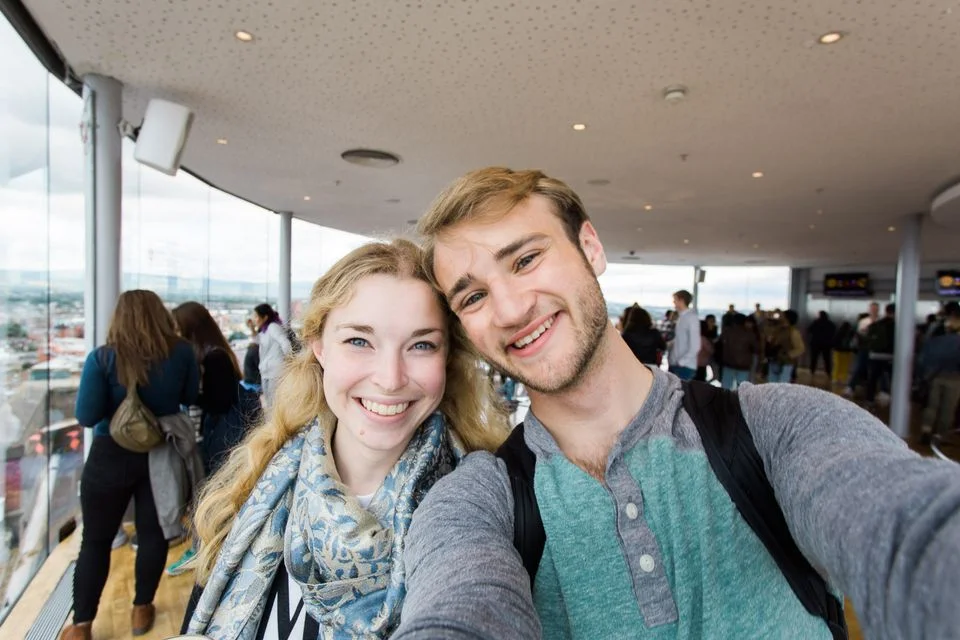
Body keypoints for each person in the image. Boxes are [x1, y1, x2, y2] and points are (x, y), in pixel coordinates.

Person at [392, 167, 960, 640]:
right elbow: (457, 603)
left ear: (590, 248)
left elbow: (909, 531)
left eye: (525, 260)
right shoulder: (480, 499)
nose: (512, 309)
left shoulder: (770, 428)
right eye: (474, 296)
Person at [183, 239, 507, 639]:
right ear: (319, 346)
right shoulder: (250, 493)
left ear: (447, 359)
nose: (390, 379)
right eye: (359, 341)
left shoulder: (485, 510)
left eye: (421, 345)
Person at [61, 290, 199, 640]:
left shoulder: (103, 358)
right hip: (161, 454)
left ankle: (81, 627)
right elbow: (188, 397)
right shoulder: (181, 351)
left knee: (95, 540)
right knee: (153, 534)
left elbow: (87, 415)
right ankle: (141, 609)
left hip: (110, 454)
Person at [250, 303, 293, 406]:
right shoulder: (264, 330)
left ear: (265, 317)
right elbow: (257, 341)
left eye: (256, 316)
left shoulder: (273, 327)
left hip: (275, 371)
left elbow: (285, 343)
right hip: (266, 371)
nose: (254, 319)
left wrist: (289, 361)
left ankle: (274, 422)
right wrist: (252, 329)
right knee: (269, 402)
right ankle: (271, 421)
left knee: (274, 403)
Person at [667, 290, 699, 380]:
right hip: (677, 364)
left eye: (675, 300)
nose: (673, 302)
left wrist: (681, 362)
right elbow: (681, 339)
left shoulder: (691, 318)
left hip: (684, 367)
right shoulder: (682, 317)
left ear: (681, 300)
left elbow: (695, 345)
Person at [720, 313, 758, 390]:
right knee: (742, 388)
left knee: (725, 387)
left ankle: (724, 401)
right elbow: (756, 349)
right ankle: (738, 401)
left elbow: (720, 343)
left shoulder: (727, 331)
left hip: (728, 363)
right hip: (744, 365)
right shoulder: (749, 333)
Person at [767, 309, 805, 383]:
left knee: (782, 384)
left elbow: (801, 348)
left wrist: (788, 354)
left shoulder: (793, 332)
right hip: (774, 360)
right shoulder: (777, 329)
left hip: (786, 363)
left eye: (783, 316)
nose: (780, 317)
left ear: (788, 318)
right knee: (771, 384)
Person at [807, 310, 836, 379]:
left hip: (816, 343)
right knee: (827, 359)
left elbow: (809, 330)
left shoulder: (816, 322)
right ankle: (828, 372)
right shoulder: (830, 323)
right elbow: (834, 331)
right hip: (826, 344)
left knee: (814, 358)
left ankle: (812, 371)